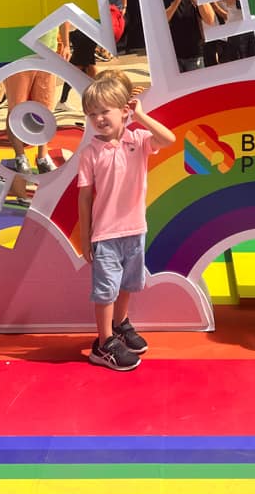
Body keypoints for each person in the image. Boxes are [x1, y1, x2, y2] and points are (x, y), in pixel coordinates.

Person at [77, 76, 176, 370]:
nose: (98, 118)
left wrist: (141, 115)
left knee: (128, 284)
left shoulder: (138, 139)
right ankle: (104, 342)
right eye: (92, 114)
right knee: (106, 290)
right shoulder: (90, 153)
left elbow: (169, 139)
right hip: (105, 234)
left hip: (135, 229)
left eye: (104, 111)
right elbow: (84, 198)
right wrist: (85, 237)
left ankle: (120, 324)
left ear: (123, 110)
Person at [5, 22, 70, 174]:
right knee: (16, 107)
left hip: (47, 52)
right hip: (18, 52)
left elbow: (62, 11)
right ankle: (20, 157)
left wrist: (66, 44)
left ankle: (42, 156)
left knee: (45, 107)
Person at [164, 0, 215, 72]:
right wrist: (177, 0)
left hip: (194, 53)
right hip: (173, 55)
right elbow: (162, 21)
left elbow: (210, 20)